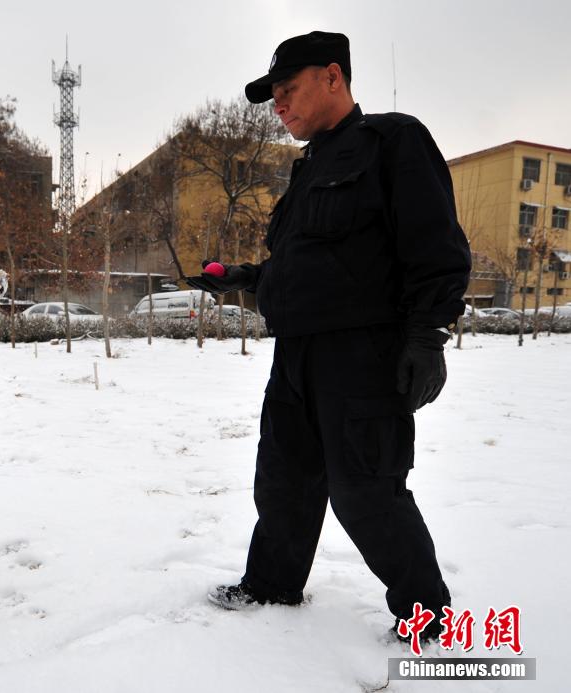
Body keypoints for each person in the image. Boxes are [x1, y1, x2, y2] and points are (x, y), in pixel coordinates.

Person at [186, 31, 471, 640]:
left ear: (333, 77)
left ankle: (432, 618)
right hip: (296, 355)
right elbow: (302, 270)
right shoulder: (309, 170)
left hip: (362, 356)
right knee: (283, 480)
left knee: (367, 490)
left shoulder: (392, 142)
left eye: (287, 90)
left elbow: (437, 247)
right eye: (274, 97)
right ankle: (271, 586)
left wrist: (427, 336)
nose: (279, 106)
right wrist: (243, 278)